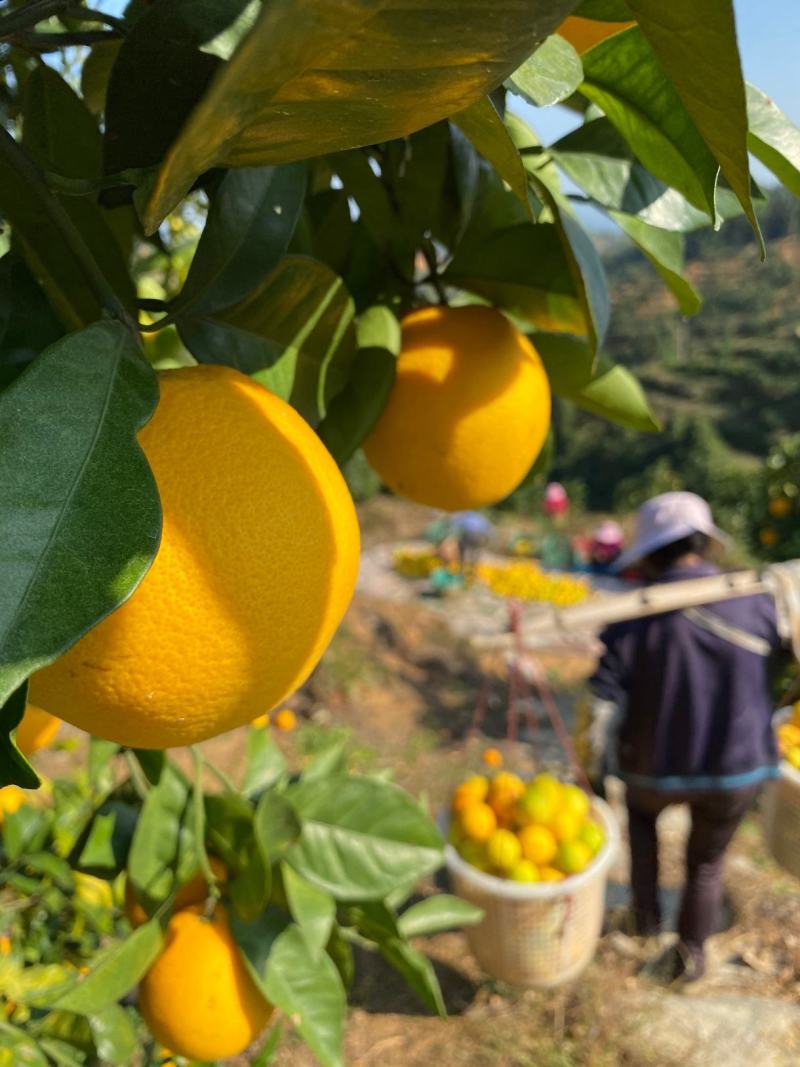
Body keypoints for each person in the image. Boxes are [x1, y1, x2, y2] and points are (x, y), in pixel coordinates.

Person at [588, 492, 784, 984]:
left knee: (643, 832)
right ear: (704, 543)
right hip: (735, 768)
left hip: (653, 767)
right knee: (706, 863)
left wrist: (593, 770)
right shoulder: (755, 602)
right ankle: (690, 958)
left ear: (650, 553)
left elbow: (600, 701)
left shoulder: (634, 614)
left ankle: (645, 922)